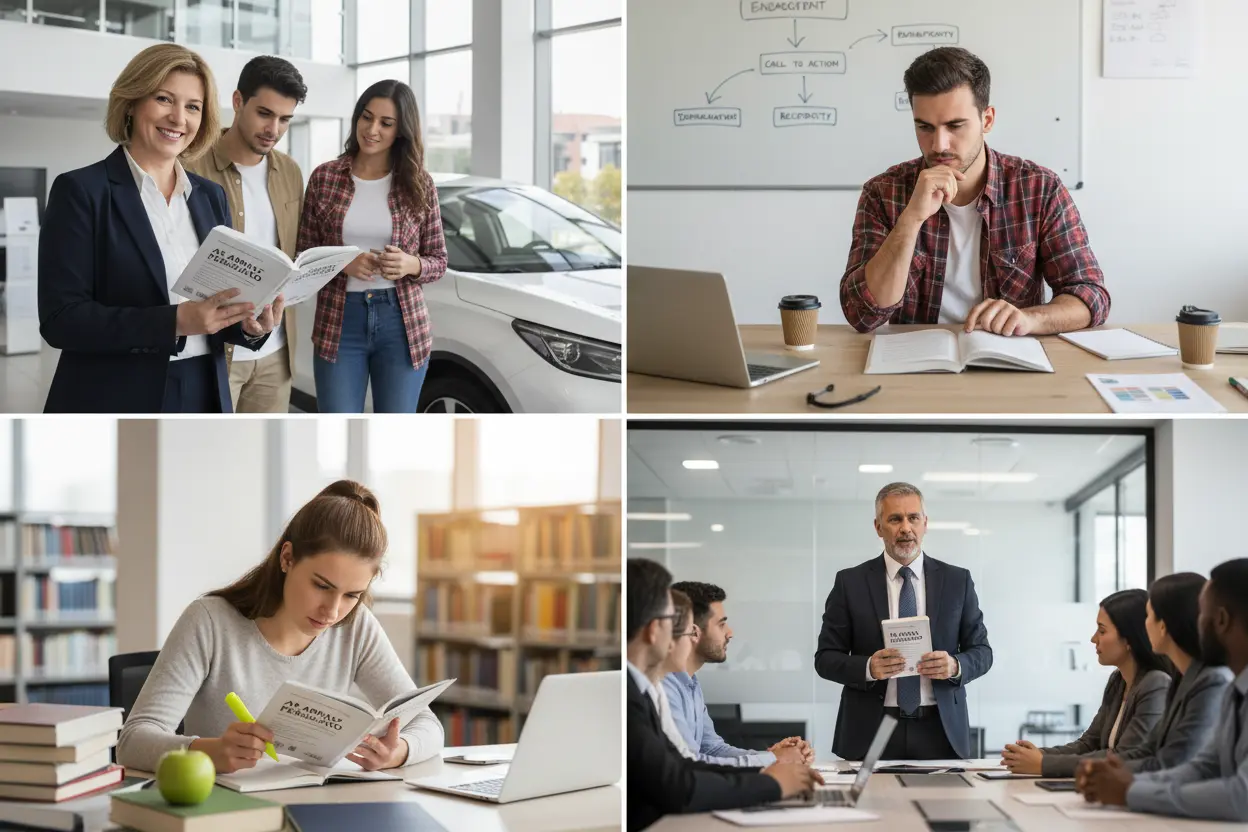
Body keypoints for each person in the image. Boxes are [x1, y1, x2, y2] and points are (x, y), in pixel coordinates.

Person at [117, 480, 442, 774]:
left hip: (319, 808)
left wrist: (398, 751)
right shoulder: (210, 621)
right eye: (321, 585)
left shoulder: (356, 627)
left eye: (352, 595)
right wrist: (209, 752)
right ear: (287, 558)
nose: (332, 611)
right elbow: (131, 743)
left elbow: (427, 723)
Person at [38, 43, 280, 413]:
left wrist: (249, 325)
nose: (179, 118)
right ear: (132, 102)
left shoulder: (210, 196)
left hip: (206, 389)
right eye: (164, 99)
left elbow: (217, 308)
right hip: (115, 392)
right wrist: (175, 321)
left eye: (193, 107)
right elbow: (61, 320)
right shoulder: (82, 191)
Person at [839, 47, 1109, 336]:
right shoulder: (883, 192)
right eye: (924, 127)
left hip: (1006, 361)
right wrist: (910, 219)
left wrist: (1030, 320)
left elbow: (1090, 296)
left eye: (955, 126)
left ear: (987, 120)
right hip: (915, 366)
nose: (938, 145)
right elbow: (862, 315)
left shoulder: (1039, 188)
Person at [627, 558, 821, 832]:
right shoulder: (641, 692)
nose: (730, 633)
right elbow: (679, 782)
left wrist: (773, 762)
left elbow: (688, 761)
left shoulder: (652, 689)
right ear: (655, 629)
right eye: (673, 623)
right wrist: (771, 778)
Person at [297, 79, 447, 413]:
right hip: (339, 320)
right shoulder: (325, 178)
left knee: (391, 435)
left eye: (386, 123)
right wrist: (343, 262)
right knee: (337, 428)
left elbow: (438, 260)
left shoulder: (419, 184)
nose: (372, 129)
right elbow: (301, 257)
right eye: (367, 117)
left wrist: (411, 265)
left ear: (401, 131)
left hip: (402, 322)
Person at [814, 482, 992, 760]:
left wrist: (955, 665)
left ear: (925, 523)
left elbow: (983, 652)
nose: (905, 528)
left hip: (941, 728)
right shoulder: (850, 582)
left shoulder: (958, 581)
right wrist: (868, 667)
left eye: (913, 518)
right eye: (895, 519)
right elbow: (825, 658)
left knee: (944, 804)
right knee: (867, 804)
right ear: (878, 527)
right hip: (871, 728)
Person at [1077, 559, 1248, 821]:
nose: (1195, 621)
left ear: (1222, 620)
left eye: (1202, 613)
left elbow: (1241, 796)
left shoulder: (1215, 682)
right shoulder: (1233, 689)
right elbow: (1205, 767)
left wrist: (1130, 791)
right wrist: (1120, 782)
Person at [186, 55, 306, 413]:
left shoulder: (290, 171)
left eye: (285, 119)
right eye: (265, 114)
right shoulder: (190, 164)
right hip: (213, 351)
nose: (274, 129)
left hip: (276, 352)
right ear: (238, 102)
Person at [1002, 589, 1170, 776]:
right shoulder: (1118, 681)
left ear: (1129, 639)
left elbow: (1125, 757)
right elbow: (1088, 744)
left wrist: (1043, 763)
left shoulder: (1156, 684)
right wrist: (1035, 755)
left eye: (1102, 630)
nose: (1093, 639)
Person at [664, 581, 814, 767]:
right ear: (695, 632)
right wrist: (773, 759)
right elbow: (690, 763)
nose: (730, 633)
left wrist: (772, 756)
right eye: (721, 625)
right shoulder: (665, 687)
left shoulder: (691, 684)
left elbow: (712, 749)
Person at [1101, 573, 1230, 773]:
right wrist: (1101, 769)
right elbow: (1149, 750)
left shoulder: (1211, 681)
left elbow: (1174, 761)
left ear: (1162, 626)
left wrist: (1111, 774)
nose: (1144, 625)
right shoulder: (1181, 678)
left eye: (1149, 616)